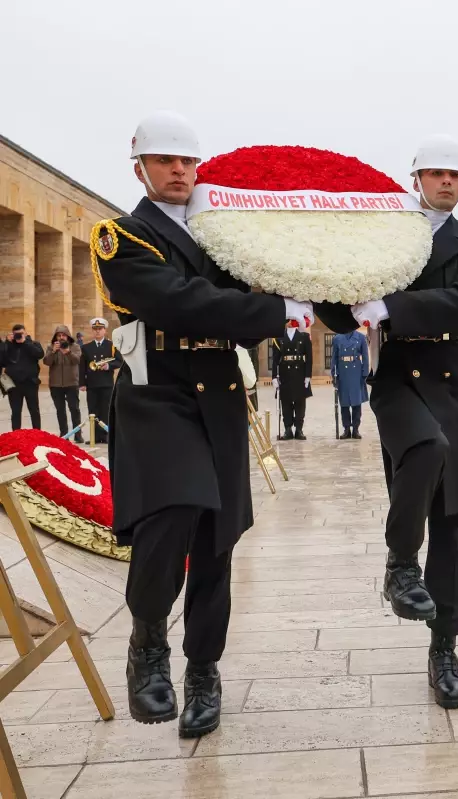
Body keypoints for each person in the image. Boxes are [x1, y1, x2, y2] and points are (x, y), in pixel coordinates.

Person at [94, 111, 312, 738]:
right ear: (139, 167)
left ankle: (203, 674)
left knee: (215, 545)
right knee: (174, 510)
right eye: (165, 161)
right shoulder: (122, 235)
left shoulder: (223, 237)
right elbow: (177, 301)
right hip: (158, 395)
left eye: (187, 162)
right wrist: (271, 311)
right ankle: (148, 646)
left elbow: (270, 278)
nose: (179, 171)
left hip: (217, 396)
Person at [319, 135, 458, 711]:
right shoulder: (385, 232)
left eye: (456, 175)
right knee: (424, 447)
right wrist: (312, 288)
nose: (446, 182)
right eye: (436, 173)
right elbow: (342, 296)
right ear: (415, 178)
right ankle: (400, 561)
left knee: (453, 526)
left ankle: (444, 648)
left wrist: (393, 307)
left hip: (455, 378)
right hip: (398, 375)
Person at [79, 317, 123, 444]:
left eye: (100, 329)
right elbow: (82, 367)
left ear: (105, 330)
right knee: (93, 410)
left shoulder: (111, 346)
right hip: (92, 384)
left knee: (106, 409)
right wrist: (82, 383)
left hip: (106, 383)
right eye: (95, 329)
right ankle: (95, 436)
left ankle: (106, 435)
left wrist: (109, 366)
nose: (97, 331)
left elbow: (119, 361)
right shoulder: (86, 348)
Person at [271, 324, 312, 441]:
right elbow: (275, 359)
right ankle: (287, 429)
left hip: (300, 372)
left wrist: (308, 375)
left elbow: (309, 357)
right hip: (285, 372)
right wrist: (274, 377)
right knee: (286, 401)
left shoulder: (304, 336)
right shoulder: (278, 338)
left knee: (300, 402)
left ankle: (299, 429)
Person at [43, 325, 83, 442]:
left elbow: (77, 360)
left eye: (63, 335)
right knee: (60, 410)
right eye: (59, 335)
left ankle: (78, 434)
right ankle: (64, 434)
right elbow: (47, 362)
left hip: (71, 383)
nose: (61, 338)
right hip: (55, 384)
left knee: (74, 409)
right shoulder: (51, 347)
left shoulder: (75, 347)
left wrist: (67, 352)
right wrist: (54, 352)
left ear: (68, 336)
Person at [2, 324, 43, 430]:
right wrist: (6, 343)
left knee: (34, 410)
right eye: (17, 334)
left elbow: (39, 354)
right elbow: (2, 360)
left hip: (31, 383)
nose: (19, 336)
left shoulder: (33, 344)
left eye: (21, 333)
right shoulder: (9, 346)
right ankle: (16, 435)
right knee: (15, 412)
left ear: (25, 332)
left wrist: (25, 343)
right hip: (14, 385)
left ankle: (37, 433)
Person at [330, 328, 369, 439]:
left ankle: (356, 429)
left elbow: (365, 356)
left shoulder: (361, 337)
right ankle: (346, 429)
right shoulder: (337, 338)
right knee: (344, 403)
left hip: (356, 371)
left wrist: (365, 373)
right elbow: (334, 358)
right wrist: (334, 374)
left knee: (356, 402)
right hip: (343, 371)